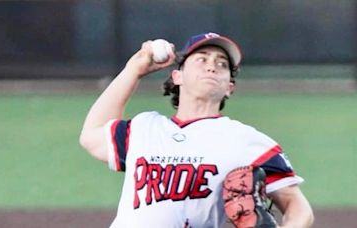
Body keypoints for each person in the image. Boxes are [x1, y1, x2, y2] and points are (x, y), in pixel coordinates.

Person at [79, 32, 314, 228]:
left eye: (222, 64)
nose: (212, 66)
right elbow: (92, 134)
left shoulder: (249, 142)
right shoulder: (144, 128)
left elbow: (298, 208)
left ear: (229, 87)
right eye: (201, 59)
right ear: (177, 76)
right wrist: (133, 70)